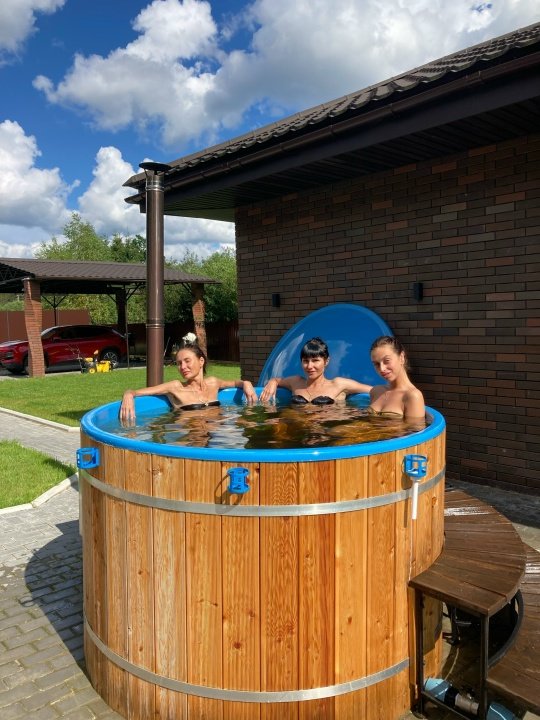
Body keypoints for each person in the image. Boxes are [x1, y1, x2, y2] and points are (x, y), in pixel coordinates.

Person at [120, 334, 257, 422]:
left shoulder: (213, 383)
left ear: (201, 361)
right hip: (191, 441)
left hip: (218, 435)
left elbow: (235, 383)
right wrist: (128, 394)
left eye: (187, 361)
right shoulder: (175, 387)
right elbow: (138, 392)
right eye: (179, 363)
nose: (183, 367)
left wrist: (246, 383)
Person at [259, 336, 372, 404]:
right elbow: (277, 380)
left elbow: (372, 390)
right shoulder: (296, 382)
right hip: (296, 429)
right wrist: (272, 382)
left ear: (326, 361)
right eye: (305, 361)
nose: (309, 366)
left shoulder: (338, 384)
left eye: (315, 360)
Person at [368, 335, 425, 420]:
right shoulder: (375, 392)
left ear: (401, 357)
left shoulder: (412, 396)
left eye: (387, 361)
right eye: (376, 364)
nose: (382, 368)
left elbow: (416, 428)